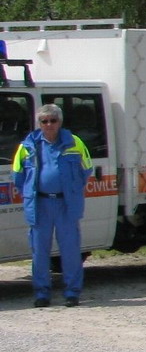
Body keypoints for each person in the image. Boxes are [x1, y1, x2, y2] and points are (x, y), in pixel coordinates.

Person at [14, 104, 92, 308]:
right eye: (44, 121)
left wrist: (72, 190)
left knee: (70, 251)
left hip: (66, 204)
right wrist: (30, 194)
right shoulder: (27, 146)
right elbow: (18, 176)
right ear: (39, 123)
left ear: (60, 122)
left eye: (53, 120)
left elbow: (86, 169)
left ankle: (72, 293)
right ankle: (42, 294)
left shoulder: (75, 142)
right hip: (40, 204)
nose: (49, 124)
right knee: (39, 252)